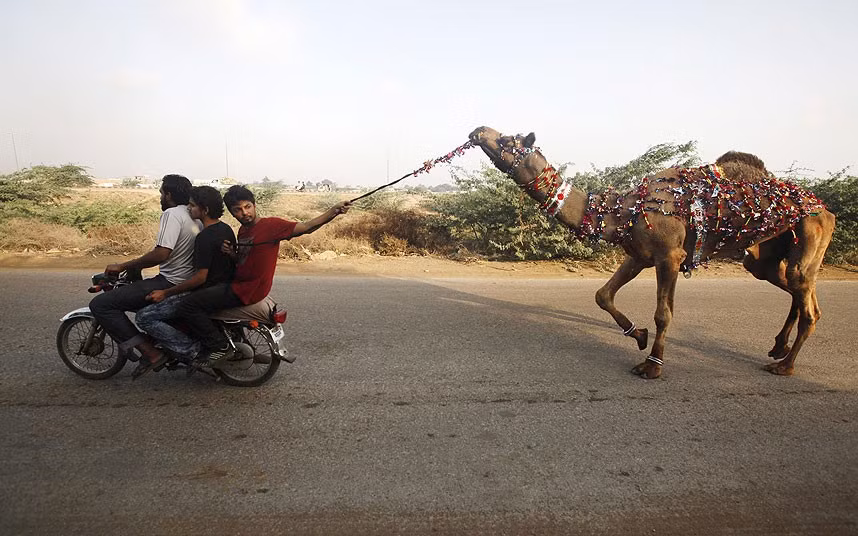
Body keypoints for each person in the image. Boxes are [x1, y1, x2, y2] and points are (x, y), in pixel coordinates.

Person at [177, 184, 351, 366]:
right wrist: (232, 254)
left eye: (247, 207)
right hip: (241, 285)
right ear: (231, 212)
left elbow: (307, 227)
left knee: (188, 305)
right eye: (237, 210)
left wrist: (334, 211)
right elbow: (244, 261)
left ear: (254, 205)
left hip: (247, 290)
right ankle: (241, 345)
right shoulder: (243, 231)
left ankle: (220, 347)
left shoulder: (271, 226)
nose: (244, 213)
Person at [89, 174, 201, 375]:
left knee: (101, 304)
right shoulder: (193, 214)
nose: (160, 198)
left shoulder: (172, 214)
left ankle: (151, 353)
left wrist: (123, 265)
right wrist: (136, 267)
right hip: (189, 281)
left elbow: (162, 252)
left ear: (168, 194)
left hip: (170, 282)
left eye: (161, 193)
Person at [133, 186, 236, 374]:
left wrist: (165, 292)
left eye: (192, 205)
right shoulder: (226, 229)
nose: (188, 208)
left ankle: (192, 352)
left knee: (144, 317)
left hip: (206, 291)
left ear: (204, 210)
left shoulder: (204, 237)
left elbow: (199, 278)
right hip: (224, 287)